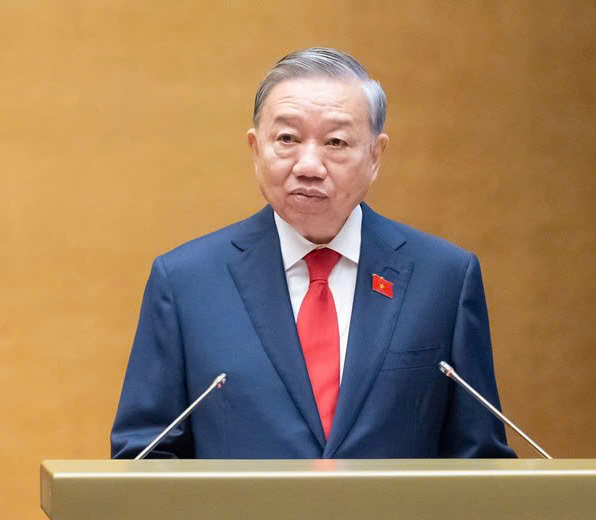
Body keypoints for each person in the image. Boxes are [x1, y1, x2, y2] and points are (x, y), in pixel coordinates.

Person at [111, 48, 515, 459]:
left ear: (375, 156)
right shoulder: (185, 283)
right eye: (287, 138)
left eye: (336, 142)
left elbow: (479, 462)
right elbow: (145, 461)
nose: (308, 164)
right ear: (255, 149)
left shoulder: (443, 278)